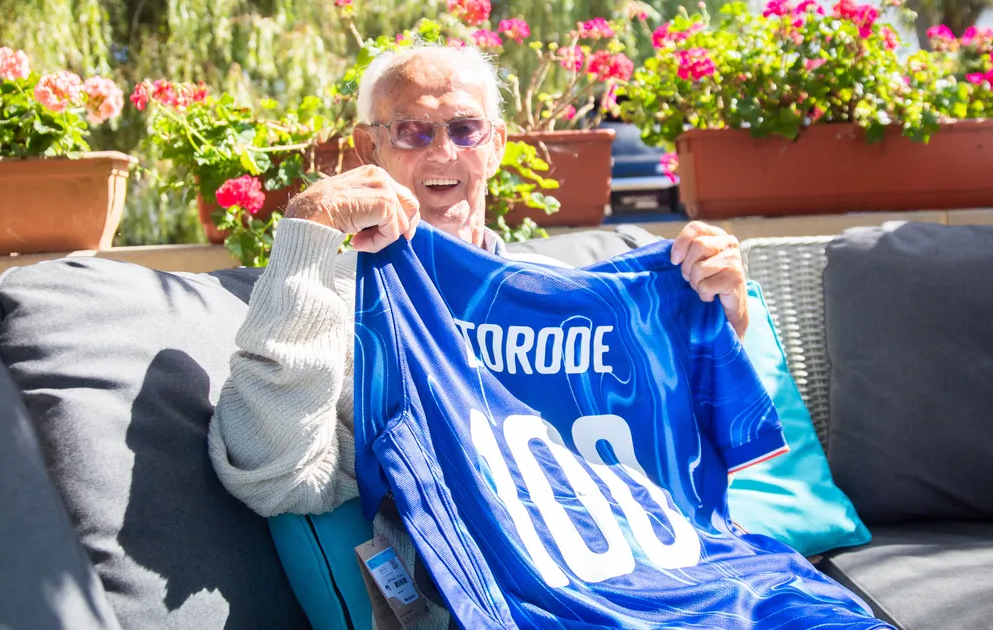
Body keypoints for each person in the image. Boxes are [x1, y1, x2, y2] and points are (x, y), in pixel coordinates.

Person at [207, 44, 751, 628]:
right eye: (413, 131)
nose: (443, 152)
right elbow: (272, 472)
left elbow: (700, 457)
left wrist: (723, 320)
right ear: (369, 149)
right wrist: (307, 229)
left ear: (495, 145)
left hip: (668, 586)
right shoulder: (334, 304)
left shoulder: (571, 302)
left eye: (466, 129)